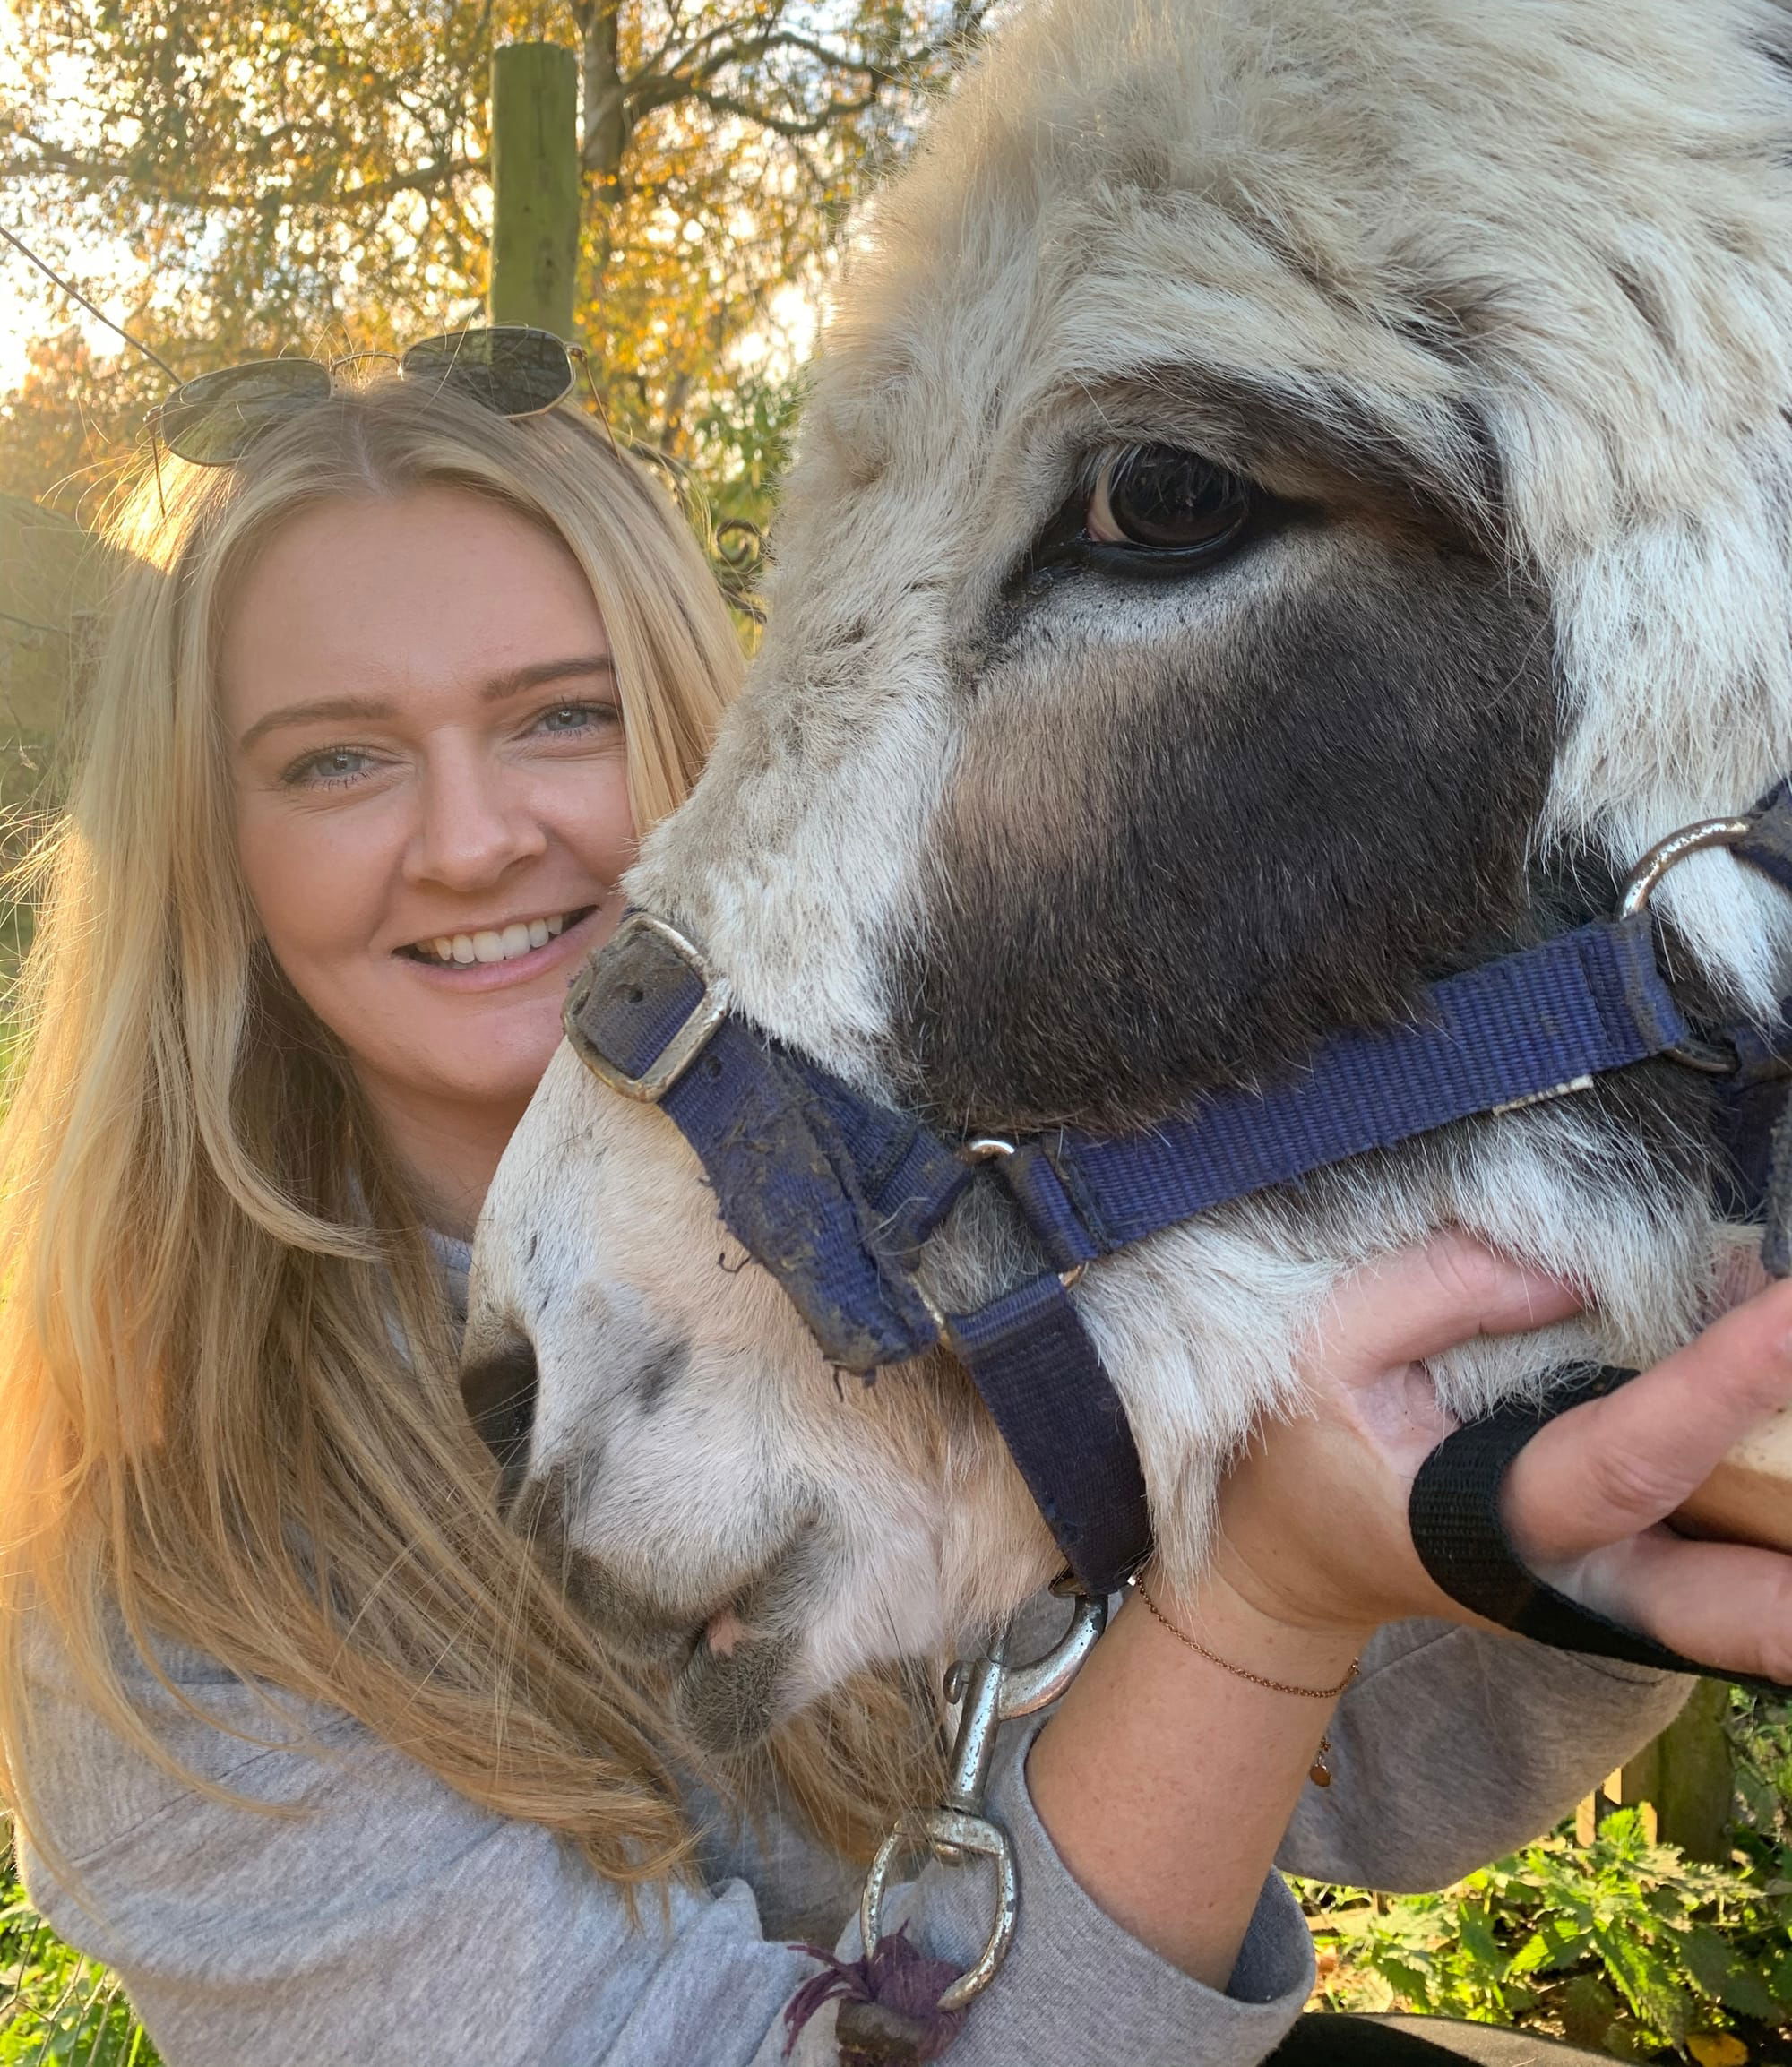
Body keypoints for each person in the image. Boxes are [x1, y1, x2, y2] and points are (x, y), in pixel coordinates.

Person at [0, 341, 1788, 2067]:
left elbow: (1373, 1768)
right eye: (335, 757)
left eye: (562, 714)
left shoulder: (988, 1201)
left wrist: (1650, 1380)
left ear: (733, 748)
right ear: (207, 847)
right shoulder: (161, 1595)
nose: (472, 836)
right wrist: (1251, 1604)